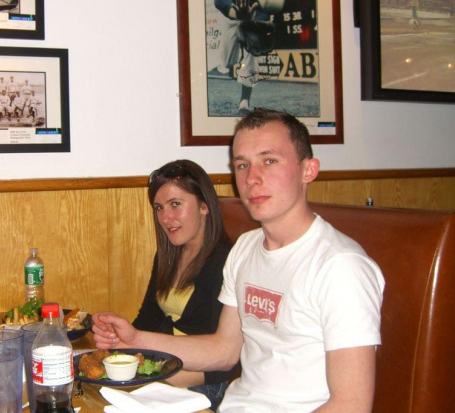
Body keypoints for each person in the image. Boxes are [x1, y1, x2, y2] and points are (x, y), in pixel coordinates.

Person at [93, 108, 385, 412]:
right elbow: (224, 351)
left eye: (269, 161)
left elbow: (352, 405)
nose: (251, 179)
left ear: (308, 170)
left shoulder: (341, 267)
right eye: (242, 165)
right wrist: (136, 338)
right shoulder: (245, 248)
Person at [133, 159, 235, 410]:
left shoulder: (226, 262)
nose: (166, 218)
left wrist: (152, 378)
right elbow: (147, 320)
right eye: (159, 208)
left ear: (204, 205)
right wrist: (117, 344)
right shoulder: (167, 256)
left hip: (205, 383)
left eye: (175, 204)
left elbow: (224, 363)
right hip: (162, 369)